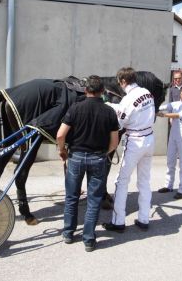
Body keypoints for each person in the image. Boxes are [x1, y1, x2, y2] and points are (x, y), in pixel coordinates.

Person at [57, 75, 119, 252]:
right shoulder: (109, 112)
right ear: (102, 92)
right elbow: (114, 143)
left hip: (75, 157)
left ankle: (68, 233)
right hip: (97, 158)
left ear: (86, 90)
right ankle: (89, 240)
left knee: (71, 197)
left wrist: (62, 151)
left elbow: (61, 135)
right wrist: (103, 153)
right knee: (94, 200)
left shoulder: (75, 108)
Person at [102, 67, 155, 233]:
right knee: (144, 182)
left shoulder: (127, 100)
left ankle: (118, 222)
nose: (120, 85)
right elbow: (129, 109)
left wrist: (107, 108)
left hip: (135, 142)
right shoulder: (146, 92)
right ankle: (144, 219)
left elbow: (119, 123)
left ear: (123, 81)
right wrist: (111, 104)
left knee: (122, 182)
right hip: (149, 139)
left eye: (120, 83)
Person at [157, 85, 182, 199]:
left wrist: (163, 115)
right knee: (170, 160)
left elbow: (178, 115)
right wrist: (154, 107)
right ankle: (168, 185)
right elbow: (164, 106)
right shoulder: (175, 104)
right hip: (173, 135)